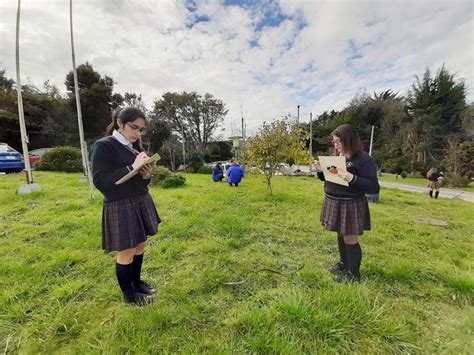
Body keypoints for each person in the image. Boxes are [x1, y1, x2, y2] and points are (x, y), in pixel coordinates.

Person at [90, 106, 160, 306]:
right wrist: (132, 167)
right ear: (120, 124)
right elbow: (100, 181)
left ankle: (137, 283)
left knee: (140, 245)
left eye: (141, 129)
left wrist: (145, 175)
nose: (137, 133)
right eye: (134, 128)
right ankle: (129, 294)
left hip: (140, 199)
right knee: (127, 250)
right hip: (120, 204)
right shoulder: (104, 146)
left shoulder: (133, 147)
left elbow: (138, 179)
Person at [313, 124, 380, 282]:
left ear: (349, 140)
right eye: (334, 142)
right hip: (334, 201)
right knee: (340, 234)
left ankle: (353, 275)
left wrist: (352, 178)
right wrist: (321, 172)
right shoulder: (337, 156)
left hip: (350, 203)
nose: (335, 145)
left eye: (338, 142)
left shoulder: (364, 159)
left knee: (350, 238)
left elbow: (373, 187)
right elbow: (330, 179)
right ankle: (344, 264)